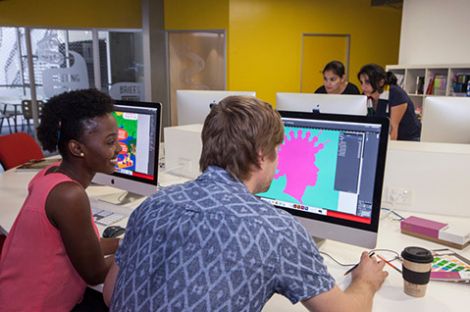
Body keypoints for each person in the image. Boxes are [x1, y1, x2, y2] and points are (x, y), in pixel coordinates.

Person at [104, 96, 388, 311]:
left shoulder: (152, 206)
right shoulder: (276, 229)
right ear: (262, 155)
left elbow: (110, 293)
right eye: (278, 153)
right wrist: (366, 281)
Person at [0, 89, 122, 311]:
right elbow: (94, 273)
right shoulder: (69, 196)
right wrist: (138, 249)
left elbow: (84, 247)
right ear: (77, 148)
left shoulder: (49, 174)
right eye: (110, 142)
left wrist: (124, 242)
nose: (119, 149)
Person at [358, 63, 421, 141]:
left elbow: (393, 129)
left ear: (380, 82)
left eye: (367, 82)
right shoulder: (367, 97)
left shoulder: (395, 93)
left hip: (408, 140)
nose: (363, 86)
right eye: (361, 82)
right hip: (384, 138)